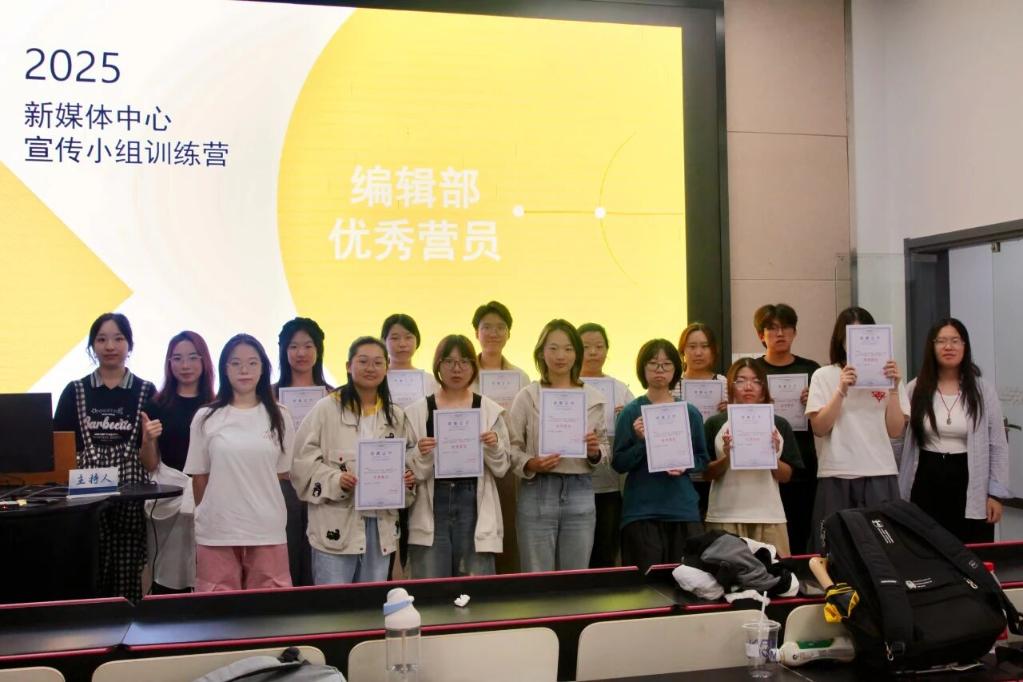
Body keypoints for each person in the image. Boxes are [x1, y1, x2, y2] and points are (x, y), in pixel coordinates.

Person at [291, 337, 415, 584]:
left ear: (386, 368)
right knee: (335, 602)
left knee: (371, 601)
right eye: (363, 361)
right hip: (336, 524)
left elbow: (409, 460)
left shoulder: (396, 416)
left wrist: (407, 477)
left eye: (378, 362)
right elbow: (301, 463)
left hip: (380, 526)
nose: (371, 368)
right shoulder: (326, 409)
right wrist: (336, 480)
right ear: (348, 366)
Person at [54, 313, 159, 601]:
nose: (110, 346)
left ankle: (126, 626)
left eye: (118, 338)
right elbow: (60, 451)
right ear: (92, 346)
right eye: (101, 339)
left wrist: (149, 441)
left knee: (127, 574)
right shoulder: (75, 391)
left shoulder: (146, 391)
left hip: (131, 494)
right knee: (87, 565)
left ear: (130, 345)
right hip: (86, 496)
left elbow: (151, 462)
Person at [183, 334, 295, 591]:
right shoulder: (206, 417)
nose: (244, 370)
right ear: (225, 368)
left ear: (263, 368)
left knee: (269, 604)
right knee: (218, 605)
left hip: (266, 527)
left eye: (252, 363)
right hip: (218, 528)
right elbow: (200, 476)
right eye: (235, 363)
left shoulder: (280, 416)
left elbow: (281, 472)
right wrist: (205, 515)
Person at [404, 335, 511, 577]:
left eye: (464, 362)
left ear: (473, 367)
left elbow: (502, 468)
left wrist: (494, 446)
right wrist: (420, 453)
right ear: (438, 365)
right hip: (432, 502)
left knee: (475, 587)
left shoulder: (489, 409)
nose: (456, 369)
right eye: (449, 362)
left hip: (473, 501)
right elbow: (410, 472)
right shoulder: (417, 411)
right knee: (431, 586)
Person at [806, 307, 909, 552]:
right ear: (841, 341)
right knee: (836, 549)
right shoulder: (824, 375)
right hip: (837, 472)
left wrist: (894, 389)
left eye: (865, 336)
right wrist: (841, 390)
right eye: (850, 337)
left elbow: (895, 430)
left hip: (880, 471)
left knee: (884, 549)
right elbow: (819, 427)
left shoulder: (888, 376)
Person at [508, 319, 609, 572]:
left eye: (568, 348)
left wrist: (595, 452)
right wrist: (531, 463)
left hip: (580, 491)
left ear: (577, 353)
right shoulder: (527, 396)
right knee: (537, 577)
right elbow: (511, 447)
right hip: (537, 490)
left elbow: (605, 448)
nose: (560, 356)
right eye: (553, 348)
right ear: (541, 352)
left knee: (575, 577)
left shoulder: (594, 398)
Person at [898, 318, 1009, 543]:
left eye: (955, 341)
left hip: (968, 481)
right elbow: (899, 441)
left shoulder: (983, 391)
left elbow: (998, 445)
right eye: (941, 341)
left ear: (964, 346)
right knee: (925, 550)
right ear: (932, 346)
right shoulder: (915, 389)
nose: (948, 347)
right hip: (925, 479)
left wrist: (996, 494)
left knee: (970, 553)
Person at [613, 339, 708, 573]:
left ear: (676, 369)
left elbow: (702, 458)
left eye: (666, 364)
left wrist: (685, 466)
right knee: (645, 585)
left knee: (686, 580)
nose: (659, 370)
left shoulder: (689, 412)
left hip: (682, 510)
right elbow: (619, 463)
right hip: (641, 511)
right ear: (642, 368)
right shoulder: (631, 412)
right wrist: (643, 442)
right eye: (653, 364)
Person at [703, 358, 803, 556]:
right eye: (740, 381)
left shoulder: (779, 424)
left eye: (756, 381)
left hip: (769, 515)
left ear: (763, 389)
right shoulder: (715, 423)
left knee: (775, 571)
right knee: (725, 572)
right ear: (730, 387)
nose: (748, 387)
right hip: (725, 515)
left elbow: (786, 476)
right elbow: (705, 474)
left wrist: (771, 456)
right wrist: (728, 457)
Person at [144, 330, 216, 594]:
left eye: (193, 357)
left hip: (208, 492)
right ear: (169, 363)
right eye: (177, 358)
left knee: (207, 568)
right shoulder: (157, 405)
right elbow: (150, 464)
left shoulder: (217, 405)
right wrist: (148, 439)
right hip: (168, 495)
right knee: (168, 572)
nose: (185, 365)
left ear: (204, 361)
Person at [752, 303, 820, 553]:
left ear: (795, 332)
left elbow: (824, 418)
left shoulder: (812, 370)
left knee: (800, 535)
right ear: (761, 335)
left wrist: (815, 401)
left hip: (803, 463)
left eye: (786, 327)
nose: (780, 333)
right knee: (763, 540)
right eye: (772, 328)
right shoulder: (752, 371)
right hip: (761, 468)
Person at [470, 300, 529, 573]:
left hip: (506, 463)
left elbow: (523, 425)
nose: (493, 333)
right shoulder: (463, 372)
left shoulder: (521, 377)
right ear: (476, 332)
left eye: (500, 327)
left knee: (507, 527)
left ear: (509, 333)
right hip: (470, 462)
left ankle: (506, 584)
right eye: (487, 327)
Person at [274, 317, 333, 587]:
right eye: (293, 346)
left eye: (308, 346)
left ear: (318, 350)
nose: (301, 353)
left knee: (317, 557)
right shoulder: (269, 395)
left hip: (320, 485)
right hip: (280, 485)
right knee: (283, 556)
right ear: (284, 351)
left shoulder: (333, 396)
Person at [578, 322, 635, 568]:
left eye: (599, 346)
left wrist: (626, 419)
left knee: (605, 550)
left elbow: (637, 433)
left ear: (607, 350)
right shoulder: (565, 389)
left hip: (609, 485)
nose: (593, 352)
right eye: (586, 347)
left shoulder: (620, 389)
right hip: (574, 482)